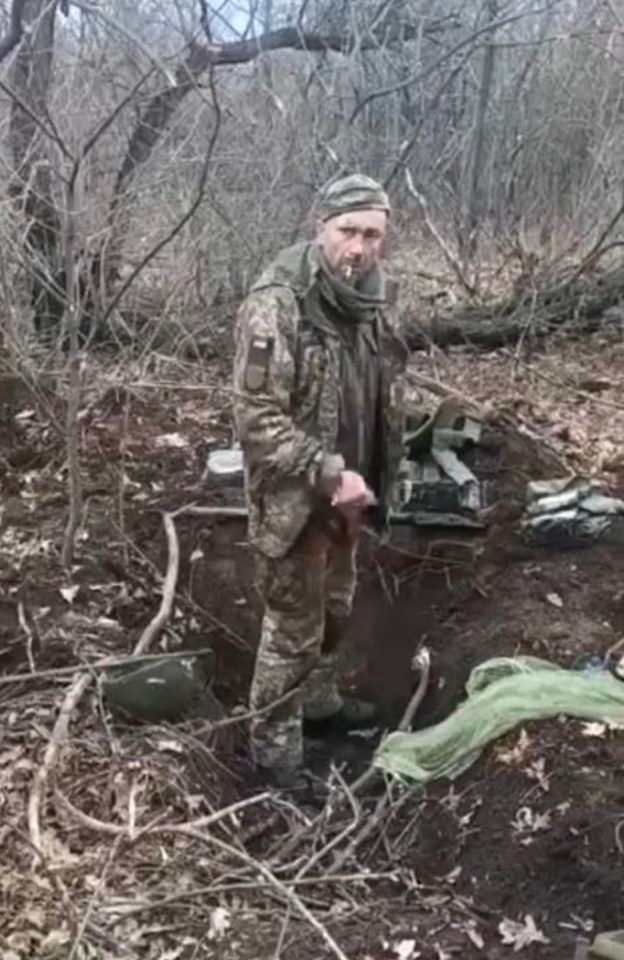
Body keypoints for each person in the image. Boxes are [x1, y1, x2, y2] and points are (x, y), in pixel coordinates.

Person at [233, 174, 409, 788]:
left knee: (335, 610)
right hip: (295, 501)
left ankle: (319, 706)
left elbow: (379, 392)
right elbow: (255, 419)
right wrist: (328, 472)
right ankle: (272, 756)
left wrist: (380, 472)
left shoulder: (371, 301)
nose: (359, 249)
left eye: (373, 235)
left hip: (348, 501)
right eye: (348, 232)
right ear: (320, 227)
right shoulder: (278, 303)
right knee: (292, 630)